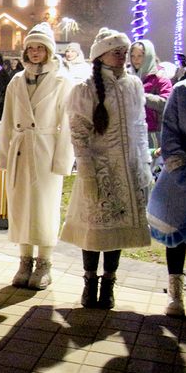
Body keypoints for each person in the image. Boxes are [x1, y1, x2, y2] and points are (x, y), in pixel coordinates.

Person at [61, 27, 152, 309]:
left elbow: (139, 126)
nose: (123, 57)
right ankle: (90, 281)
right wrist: (87, 171)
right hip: (99, 169)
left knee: (118, 228)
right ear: (101, 56)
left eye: (124, 52)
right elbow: (78, 133)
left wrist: (143, 163)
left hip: (127, 167)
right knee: (95, 227)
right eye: (117, 52)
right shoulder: (84, 90)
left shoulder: (133, 85)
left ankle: (109, 281)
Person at [0, 23, 74, 290]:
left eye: (40, 48)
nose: (36, 52)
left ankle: (45, 262)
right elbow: (7, 120)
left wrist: (63, 160)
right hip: (20, 148)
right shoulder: (17, 80)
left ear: (49, 50)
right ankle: (24, 260)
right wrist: (2, 155)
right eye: (31, 48)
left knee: (44, 207)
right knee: (20, 207)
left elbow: (68, 121)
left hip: (46, 149)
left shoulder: (63, 80)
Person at [147, 79, 186, 316]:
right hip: (180, 173)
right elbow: (169, 131)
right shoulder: (181, 90)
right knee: (176, 233)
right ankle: (176, 293)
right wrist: (179, 165)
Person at [129, 39, 172, 148]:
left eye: (140, 56)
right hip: (132, 132)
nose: (136, 60)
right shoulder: (129, 77)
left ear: (148, 56)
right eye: (133, 56)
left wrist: (142, 96)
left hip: (153, 132)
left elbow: (166, 103)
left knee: (152, 164)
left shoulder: (159, 77)